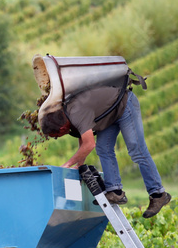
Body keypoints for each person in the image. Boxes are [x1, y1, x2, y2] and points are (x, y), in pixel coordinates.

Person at [39, 84, 171, 219]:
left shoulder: (76, 113)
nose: (57, 138)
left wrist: (66, 165)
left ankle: (158, 194)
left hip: (124, 104)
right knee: (103, 148)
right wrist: (78, 165)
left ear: (61, 129)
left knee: (136, 149)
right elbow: (83, 143)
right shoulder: (68, 116)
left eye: (55, 136)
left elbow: (89, 144)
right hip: (110, 114)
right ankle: (115, 191)